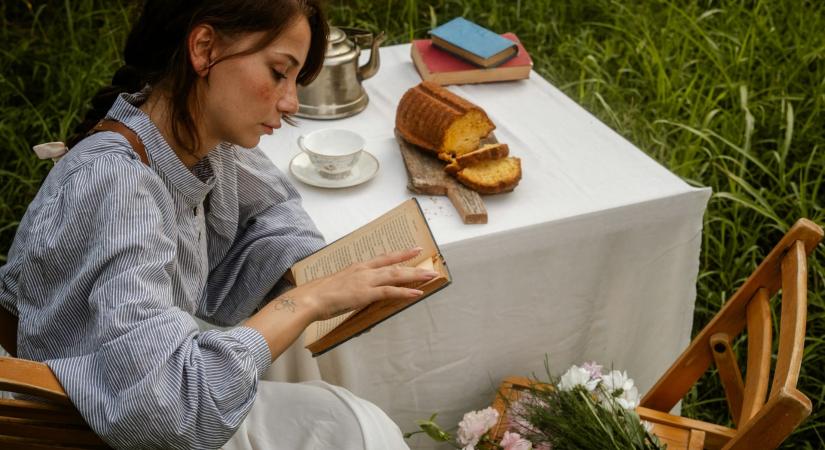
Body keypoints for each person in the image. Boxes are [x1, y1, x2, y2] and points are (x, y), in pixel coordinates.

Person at [0, 1, 435, 448]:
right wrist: (303, 301)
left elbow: (272, 212)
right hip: (83, 424)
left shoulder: (198, 140)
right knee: (357, 430)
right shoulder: (116, 184)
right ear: (205, 48)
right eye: (277, 72)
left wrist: (311, 273)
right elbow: (169, 405)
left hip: (138, 393)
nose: (290, 104)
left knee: (344, 413)